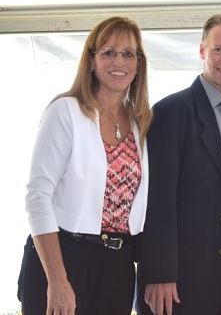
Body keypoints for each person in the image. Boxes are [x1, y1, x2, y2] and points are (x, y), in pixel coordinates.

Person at [18, 16, 151, 315]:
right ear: (91, 61)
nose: (119, 61)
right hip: (63, 257)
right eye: (108, 52)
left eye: (128, 53)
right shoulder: (65, 111)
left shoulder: (139, 123)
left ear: (139, 64)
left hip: (117, 265)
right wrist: (57, 280)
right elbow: (38, 197)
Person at [136, 11, 221, 315]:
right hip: (183, 280)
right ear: (202, 51)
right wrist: (159, 273)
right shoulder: (170, 113)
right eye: (219, 49)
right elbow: (156, 199)